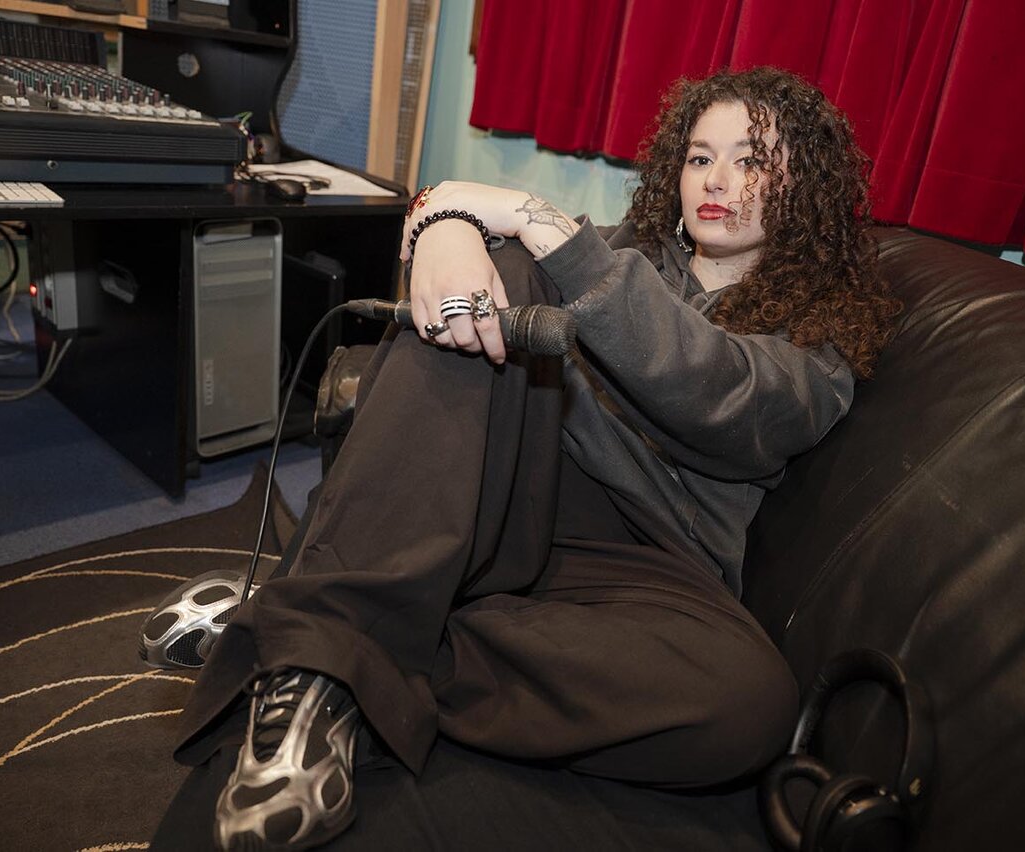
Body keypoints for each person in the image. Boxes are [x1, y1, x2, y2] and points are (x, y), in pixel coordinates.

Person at [154, 65, 901, 850]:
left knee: (750, 704)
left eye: (751, 160)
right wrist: (450, 224)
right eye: (699, 156)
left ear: (803, 186)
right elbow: (480, 246)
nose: (716, 180)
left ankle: (312, 625)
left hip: (646, 568)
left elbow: (720, 393)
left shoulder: (819, 339)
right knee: (507, 273)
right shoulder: (618, 251)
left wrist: (524, 214)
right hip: (517, 490)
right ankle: (324, 655)